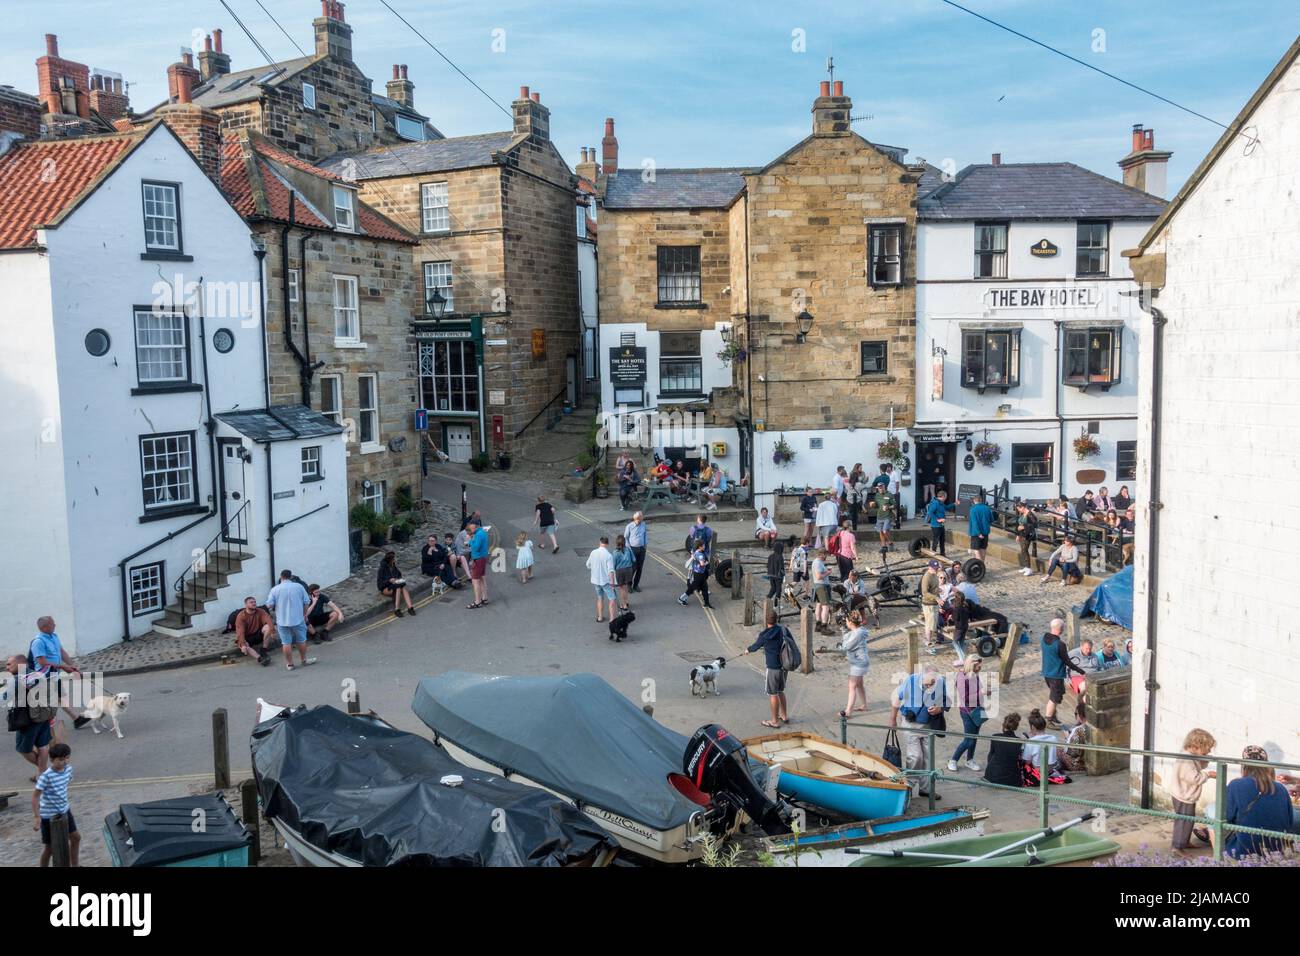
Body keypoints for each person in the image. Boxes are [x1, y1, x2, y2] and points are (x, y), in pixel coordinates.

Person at [1223, 746, 1294, 858]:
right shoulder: (1281, 788)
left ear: (1244, 765)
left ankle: (1219, 861)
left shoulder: (1236, 785)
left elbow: (1225, 817)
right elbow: (1289, 822)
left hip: (1244, 851)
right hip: (1276, 850)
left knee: (1212, 818)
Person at [890, 665, 949, 798]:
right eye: (927, 685)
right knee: (916, 757)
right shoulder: (911, 681)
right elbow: (897, 699)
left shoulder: (941, 682)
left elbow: (947, 701)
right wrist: (892, 719)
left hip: (929, 725)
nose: (930, 687)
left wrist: (939, 709)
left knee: (928, 758)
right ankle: (908, 787)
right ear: (921, 677)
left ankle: (926, 789)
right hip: (910, 725)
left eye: (932, 684)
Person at [28, 617, 89, 729]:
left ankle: (76, 719)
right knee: (51, 701)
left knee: (61, 697)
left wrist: (72, 665)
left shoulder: (54, 637)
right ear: (44, 627)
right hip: (44, 677)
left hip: (54, 674)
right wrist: (63, 666)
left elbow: (61, 651)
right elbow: (42, 662)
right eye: (52, 624)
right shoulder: (38, 642)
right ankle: (46, 727)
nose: (55, 625)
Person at [33, 741, 78, 867]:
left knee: (76, 838)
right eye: (61, 759)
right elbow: (35, 796)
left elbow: (64, 786)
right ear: (52, 760)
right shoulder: (46, 776)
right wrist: (37, 817)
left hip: (65, 811)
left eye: (67, 758)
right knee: (50, 848)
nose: (64, 762)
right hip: (48, 816)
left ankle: (75, 865)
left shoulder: (68, 769)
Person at [1171, 728, 1217, 850]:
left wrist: (1205, 758)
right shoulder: (1186, 760)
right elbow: (1194, 778)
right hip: (1183, 796)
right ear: (1197, 746)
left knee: (1189, 821)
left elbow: (1198, 765)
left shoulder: (1190, 756)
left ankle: (1184, 842)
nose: (1209, 751)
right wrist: (1208, 775)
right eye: (1207, 748)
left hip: (1186, 795)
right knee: (1183, 822)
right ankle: (1177, 847)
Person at [6, 654, 51, 781]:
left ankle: (45, 773)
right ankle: (43, 774)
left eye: (10, 664)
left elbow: (4, 697)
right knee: (42, 745)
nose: (7, 668)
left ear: (20, 664)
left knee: (23, 749)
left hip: (27, 720)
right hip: (44, 714)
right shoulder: (38, 675)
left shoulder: (16, 680)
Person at [746, 607, 791, 728]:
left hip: (772, 668)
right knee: (781, 691)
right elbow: (790, 641)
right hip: (784, 667)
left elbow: (755, 646)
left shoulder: (764, 635)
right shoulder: (783, 630)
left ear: (766, 621)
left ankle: (774, 721)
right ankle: (784, 716)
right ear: (776, 620)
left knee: (773, 694)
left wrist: (747, 650)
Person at [1041, 618, 1086, 728]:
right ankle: (1048, 719)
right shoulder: (1060, 644)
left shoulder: (1044, 638)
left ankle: (1053, 715)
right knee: (1054, 698)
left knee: (1055, 695)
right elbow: (1067, 662)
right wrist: (1081, 671)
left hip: (1046, 672)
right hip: (1056, 675)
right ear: (1061, 629)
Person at [266, 571, 315, 670]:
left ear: (281, 577)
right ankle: (304, 660)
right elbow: (307, 601)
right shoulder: (299, 587)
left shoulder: (275, 589)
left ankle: (290, 664)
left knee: (286, 643)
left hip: (282, 621)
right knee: (301, 640)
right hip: (298, 619)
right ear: (291, 576)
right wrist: (304, 615)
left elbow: (269, 605)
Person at [949, 656, 987, 772]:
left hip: (978, 709)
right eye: (977, 666)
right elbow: (965, 698)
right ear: (972, 665)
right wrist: (981, 693)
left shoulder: (974, 674)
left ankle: (970, 760)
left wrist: (986, 692)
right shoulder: (962, 677)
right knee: (968, 740)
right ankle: (953, 760)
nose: (979, 668)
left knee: (974, 737)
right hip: (967, 712)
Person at [839, 609, 870, 719]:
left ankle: (848, 711)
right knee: (860, 685)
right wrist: (844, 632)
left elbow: (847, 647)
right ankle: (864, 705)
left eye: (846, 621)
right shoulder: (858, 631)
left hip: (859, 663)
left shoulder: (857, 633)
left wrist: (841, 644)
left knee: (852, 686)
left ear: (850, 622)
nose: (845, 622)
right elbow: (849, 639)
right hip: (861, 661)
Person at [984, 713, 1023, 788]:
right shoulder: (1019, 741)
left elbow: (990, 755)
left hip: (992, 776)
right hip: (1011, 780)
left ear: (1003, 725)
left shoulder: (995, 736)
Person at [233, 597, 275, 665]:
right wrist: (243, 644)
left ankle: (264, 650)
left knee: (268, 627)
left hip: (258, 634)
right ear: (246, 605)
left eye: (254, 602)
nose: (254, 603)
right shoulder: (241, 616)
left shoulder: (260, 611)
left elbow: (268, 620)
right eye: (251, 602)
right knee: (245, 646)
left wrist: (272, 631)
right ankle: (260, 659)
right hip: (247, 637)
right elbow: (240, 632)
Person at [586, 536, 619, 622]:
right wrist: (612, 584)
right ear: (607, 544)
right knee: (612, 599)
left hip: (596, 581)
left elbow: (588, 565)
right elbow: (611, 571)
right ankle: (612, 619)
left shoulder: (593, 552)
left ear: (600, 543)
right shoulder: (608, 555)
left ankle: (600, 617)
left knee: (600, 598)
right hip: (606, 581)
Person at [377, 552, 417, 619]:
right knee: (398, 587)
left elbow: (398, 574)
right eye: (394, 558)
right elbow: (380, 584)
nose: (395, 559)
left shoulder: (393, 566)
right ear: (390, 559)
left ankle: (410, 608)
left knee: (403, 587)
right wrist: (389, 580)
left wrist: (397, 579)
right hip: (385, 588)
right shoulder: (382, 569)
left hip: (394, 585)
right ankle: (397, 609)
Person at [1021, 709, 1061, 775]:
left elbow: (1027, 762)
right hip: (1051, 769)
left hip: (1038, 771)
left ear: (1033, 727)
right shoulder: (1053, 738)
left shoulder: (1030, 742)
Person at [678, 538, 713, 609]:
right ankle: (681, 599)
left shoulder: (695, 552)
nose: (704, 546)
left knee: (704, 588)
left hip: (698, 574)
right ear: (699, 546)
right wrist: (706, 562)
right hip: (699, 575)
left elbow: (693, 557)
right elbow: (702, 564)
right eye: (703, 545)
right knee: (692, 588)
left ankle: (707, 603)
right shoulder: (700, 555)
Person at [466, 518, 491, 609]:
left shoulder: (478, 534)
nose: (469, 528)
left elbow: (475, 547)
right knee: (481, 579)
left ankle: (477, 601)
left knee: (475, 581)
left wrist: (470, 540)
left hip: (478, 559)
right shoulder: (482, 532)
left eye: (471, 526)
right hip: (482, 559)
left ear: (475, 525)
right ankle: (485, 598)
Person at [920, 560, 943, 651]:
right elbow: (925, 593)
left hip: (934, 603)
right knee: (930, 624)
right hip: (928, 604)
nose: (936, 570)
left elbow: (934, 588)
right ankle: (928, 642)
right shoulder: (927, 577)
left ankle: (928, 639)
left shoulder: (935, 575)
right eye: (934, 568)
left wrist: (939, 591)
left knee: (931, 623)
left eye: (936, 568)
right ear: (929, 567)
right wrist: (936, 598)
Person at [624, 511, 648, 592]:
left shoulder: (644, 524)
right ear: (635, 519)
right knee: (633, 568)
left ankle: (636, 585)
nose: (640, 521)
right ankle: (629, 584)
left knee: (639, 568)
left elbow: (645, 535)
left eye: (641, 519)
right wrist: (629, 549)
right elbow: (626, 538)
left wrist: (645, 545)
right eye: (639, 519)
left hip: (642, 549)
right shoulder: (629, 526)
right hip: (632, 549)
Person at [811, 548, 833, 634]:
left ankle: (818, 625)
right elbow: (819, 576)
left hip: (818, 586)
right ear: (822, 555)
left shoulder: (818, 562)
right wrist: (828, 572)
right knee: (825, 606)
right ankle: (824, 627)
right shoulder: (817, 563)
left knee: (819, 605)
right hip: (821, 586)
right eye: (826, 555)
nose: (826, 557)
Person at [925, 489, 953, 556]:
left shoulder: (941, 503)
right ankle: (933, 553)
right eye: (945, 497)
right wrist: (938, 519)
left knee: (942, 540)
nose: (946, 498)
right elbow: (930, 512)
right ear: (942, 496)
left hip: (941, 525)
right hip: (935, 525)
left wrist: (954, 504)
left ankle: (942, 553)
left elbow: (946, 507)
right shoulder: (935, 503)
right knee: (936, 540)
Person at [967, 492, 994, 563]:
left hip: (976, 533)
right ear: (981, 500)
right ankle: (982, 564)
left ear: (974, 501)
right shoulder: (987, 508)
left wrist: (978, 533)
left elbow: (974, 523)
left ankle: (980, 567)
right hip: (985, 532)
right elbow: (992, 519)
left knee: (976, 549)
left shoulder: (973, 509)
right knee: (983, 548)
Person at [612, 533, 636, 611]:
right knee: (625, 587)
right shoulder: (628, 549)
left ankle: (624, 605)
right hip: (629, 570)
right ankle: (626, 601)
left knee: (622, 588)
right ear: (624, 542)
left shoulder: (615, 552)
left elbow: (613, 564)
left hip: (620, 571)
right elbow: (634, 559)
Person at [1014, 502, 1039, 576]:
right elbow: (1019, 524)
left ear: (1023, 507)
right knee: (1023, 550)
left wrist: (1024, 527)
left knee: (1024, 550)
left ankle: (1029, 568)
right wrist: (1018, 535)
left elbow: (1035, 524)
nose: (1018, 511)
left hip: (1027, 535)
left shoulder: (1030, 514)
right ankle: (1026, 566)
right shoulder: (1022, 514)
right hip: (1022, 534)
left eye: (1019, 509)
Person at [872, 483, 894, 551]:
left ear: (884, 487)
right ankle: (884, 547)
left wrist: (888, 507)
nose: (880, 489)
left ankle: (890, 543)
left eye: (881, 487)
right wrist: (872, 505)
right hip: (879, 516)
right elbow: (876, 505)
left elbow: (894, 505)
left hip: (887, 516)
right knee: (880, 532)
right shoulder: (877, 495)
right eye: (879, 488)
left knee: (885, 531)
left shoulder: (889, 495)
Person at [766, 540, 786, 609]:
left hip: (771, 575)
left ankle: (767, 599)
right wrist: (783, 576)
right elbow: (782, 567)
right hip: (778, 577)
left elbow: (767, 566)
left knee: (773, 588)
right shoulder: (780, 557)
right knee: (778, 590)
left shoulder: (770, 556)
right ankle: (776, 604)